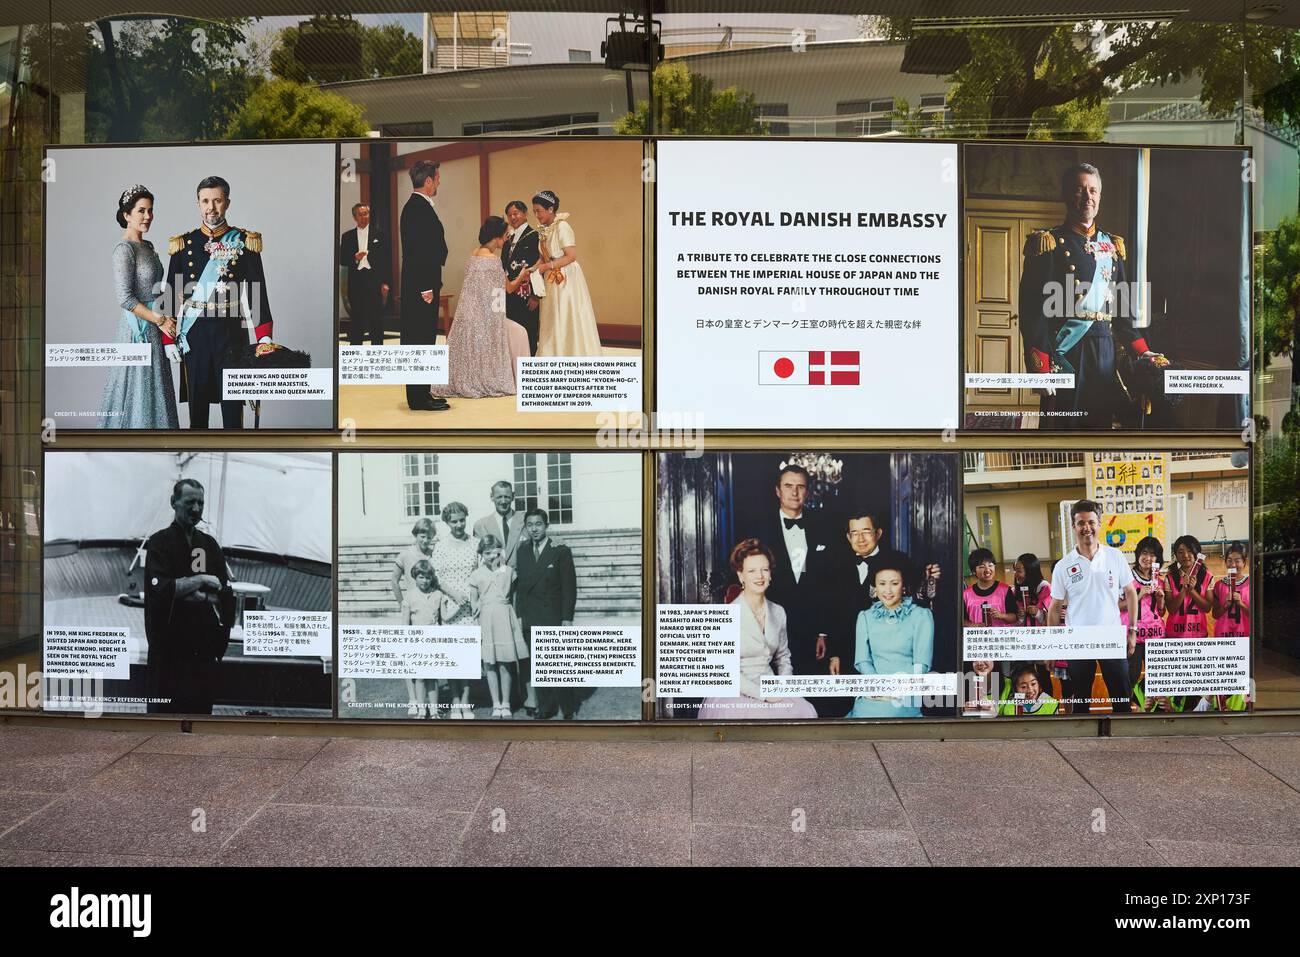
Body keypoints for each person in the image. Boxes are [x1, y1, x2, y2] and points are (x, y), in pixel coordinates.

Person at [1018, 163, 1168, 429]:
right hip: (1067, 354)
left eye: (1093, 190)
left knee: (1100, 429)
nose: (1087, 196)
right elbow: (1033, 312)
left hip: (1105, 354)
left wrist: (1144, 353)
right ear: (1067, 195)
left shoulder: (1111, 246)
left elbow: (1123, 313)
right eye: (1079, 190)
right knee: (1063, 433)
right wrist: (1040, 368)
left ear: (1099, 196)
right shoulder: (1048, 243)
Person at [162, 175, 281, 429]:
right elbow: (171, 292)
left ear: (227, 202)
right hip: (194, 335)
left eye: (217, 200)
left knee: (233, 413)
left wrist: (263, 337)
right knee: (197, 413)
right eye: (205, 201)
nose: (211, 207)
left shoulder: (244, 242)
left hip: (232, 335)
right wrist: (168, 338)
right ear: (198, 204)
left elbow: (257, 293)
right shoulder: (184, 245)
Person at [143, 478, 235, 714]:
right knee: (162, 724)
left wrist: (192, 593)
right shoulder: (159, 543)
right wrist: (202, 580)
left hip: (202, 654)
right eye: (189, 502)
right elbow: (161, 590)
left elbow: (224, 592)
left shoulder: (209, 545)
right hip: (168, 654)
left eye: (200, 503)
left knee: (200, 719)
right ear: (174, 502)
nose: (196, 509)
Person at [698, 539, 817, 720]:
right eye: (752, 571)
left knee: (806, 712)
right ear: (741, 576)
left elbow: (783, 657)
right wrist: (765, 695)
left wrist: (783, 686)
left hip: (771, 685)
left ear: (770, 574)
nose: (759, 576)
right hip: (735, 691)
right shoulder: (726, 615)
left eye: (764, 569)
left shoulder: (778, 611)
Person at [1048, 499, 1139, 714]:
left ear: (1099, 524)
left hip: (1111, 636)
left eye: (1091, 522)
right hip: (1078, 639)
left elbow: (1131, 593)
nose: (1086, 528)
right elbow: (1054, 607)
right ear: (1073, 527)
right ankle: (1082, 742)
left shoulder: (1115, 557)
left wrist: (1132, 631)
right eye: (1081, 523)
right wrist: (1051, 645)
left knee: (1121, 697)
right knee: (1081, 698)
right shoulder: (1063, 566)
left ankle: (1125, 738)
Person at [99, 184, 179, 429]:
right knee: (136, 388)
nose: (148, 216)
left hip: (156, 325)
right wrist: (160, 320)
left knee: (156, 388)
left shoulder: (149, 247)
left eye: (150, 210)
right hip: (137, 329)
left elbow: (158, 289)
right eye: (141, 211)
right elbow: (125, 298)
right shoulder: (124, 250)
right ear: (127, 216)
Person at [432, 216, 531, 399]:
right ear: (497, 237)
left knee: (517, 331)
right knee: (521, 332)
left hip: (467, 316)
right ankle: (518, 379)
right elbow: (506, 289)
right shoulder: (493, 260)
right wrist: (522, 275)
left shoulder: (474, 253)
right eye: (505, 236)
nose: (507, 239)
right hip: (486, 318)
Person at [847, 562, 934, 718]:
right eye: (881, 584)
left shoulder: (921, 616)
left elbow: (921, 664)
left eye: (894, 583)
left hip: (906, 692)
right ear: (875, 587)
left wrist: (897, 689)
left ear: (904, 586)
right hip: (873, 692)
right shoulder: (865, 617)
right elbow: (862, 660)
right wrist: (879, 687)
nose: (887, 590)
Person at [515, 508, 578, 719]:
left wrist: (567, 618)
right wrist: (520, 615)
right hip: (531, 617)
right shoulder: (522, 550)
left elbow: (569, 587)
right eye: (530, 525)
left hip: (553, 616)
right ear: (526, 527)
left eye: (538, 524)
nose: (534, 529)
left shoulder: (560, 550)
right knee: (537, 666)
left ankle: (567, 708)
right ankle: (545, 707)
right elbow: (522, 588)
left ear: (546, 526)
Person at [398, 159, 450, 412]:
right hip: (422, 287)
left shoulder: (417, 207)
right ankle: (419, 399)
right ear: (428, 181)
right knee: (419, 340)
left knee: (423, 339)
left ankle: (422, 393)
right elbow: (419, 252)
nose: (439, 182)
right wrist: (426, 287)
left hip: (422, 284)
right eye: (437, 178)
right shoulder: (417, 208)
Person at [532, 190, 602, 357]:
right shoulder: (544, 230)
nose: (536, 215)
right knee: (552, 316)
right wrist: (534, 268)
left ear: (550, 209)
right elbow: (543, 256)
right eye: (534, 211)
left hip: (566, 277)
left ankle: (571, 353)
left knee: (566, 313)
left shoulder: (562, 226)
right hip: (551, 274)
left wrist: (546, 266)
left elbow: (571, 256)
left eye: (538, 211)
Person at [468, 535, 528, 719]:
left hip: (504, 615)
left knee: (505, 662)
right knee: (490, 663)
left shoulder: (508, 571)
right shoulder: (476, 574)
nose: (491, 556)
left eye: (494, 552)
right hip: (487, 618)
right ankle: (496, 704)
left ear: (500, 551)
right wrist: (475, 606)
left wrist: (517, 617)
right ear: (481, 554)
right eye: (486, 553)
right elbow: (473, 599)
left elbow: (515, 595)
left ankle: (506, 704)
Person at [431, 501, 479, 718]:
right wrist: (454, 594)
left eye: (462, 520)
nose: (459, 524)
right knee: (452, 658)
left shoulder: (475, 543)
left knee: (467, 658)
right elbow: (436, 577)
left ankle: (466, 702)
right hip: (450, 606)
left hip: (469, 607)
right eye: (454, 521)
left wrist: (471, 596)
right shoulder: (441, 546)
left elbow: (480, 574)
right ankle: (455, 701)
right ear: (447, 522)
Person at [339, 202, 390, 346]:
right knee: (357, 321)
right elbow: (342, 259)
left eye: (366, 214)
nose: (364, 217)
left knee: (376, 320)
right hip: (356, 283)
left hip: (375, 281)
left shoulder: (380, 234)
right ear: (355, 217)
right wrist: (355, 257)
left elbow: (386, 261)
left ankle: (377, 354)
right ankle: (355, 355)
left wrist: (386, 282)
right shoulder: (347, 236)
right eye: (360, 214)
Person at [1123, 536, 1166, 706]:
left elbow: (1161, 612)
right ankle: (1125, 710)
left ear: (1158, 559)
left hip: (1155, 637)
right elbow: (1116, 605)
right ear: (1138, 555)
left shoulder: (1159, 581)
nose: (1148, 558)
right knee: (1130, 678)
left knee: (1157, 679)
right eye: (1144, 553)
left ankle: (1154, 711)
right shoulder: (1126, 578)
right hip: (1133, 636)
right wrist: (1137, 596)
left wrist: (1161, 600)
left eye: (1153, 555)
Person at [402, 559, 444, 719]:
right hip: (416, 641)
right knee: (419, 677)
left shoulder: (437, 595)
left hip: (433, 641)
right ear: (415, 577)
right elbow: (405, 623)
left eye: (427, 577)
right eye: (421, 577)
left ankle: (433, 710)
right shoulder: (410, 596)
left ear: (431, 578)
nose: (425, 581)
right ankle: (421, 709)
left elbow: (441, 619)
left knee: (432, 677)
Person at [501, 200, 542, 356]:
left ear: (525, 214)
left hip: (527, 295)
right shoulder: (507, 239)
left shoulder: (534, 236)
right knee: (511, 335)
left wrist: (536, 295)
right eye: (509, 215)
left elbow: (539, 266)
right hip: (509, 293)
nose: (512, 217)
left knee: (528, 333)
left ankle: (528, 371)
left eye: (516, 213)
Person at [1163, 534, 1214, 639]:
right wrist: (1183, 590)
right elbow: (1171, 609)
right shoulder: (1170, 577)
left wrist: (1192, 591)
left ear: (1197, 553)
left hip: (1199, 634)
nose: (1185, 555)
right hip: (1175, 635)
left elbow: (1207, 608)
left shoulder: (1207, 576)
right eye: (1180, 552)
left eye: (1190, 551)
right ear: (1176, 555)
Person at [473, 480, 525, 568]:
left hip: (522, 578)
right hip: (494, 578)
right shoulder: (481, 525)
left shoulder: (525, 521)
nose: (503, 501)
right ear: (492, 497)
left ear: (513, 496)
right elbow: (478, 560)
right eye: (499, 497)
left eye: (507, 497)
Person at [962, 548, 1019, 627]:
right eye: (982, 567)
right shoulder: (966, 595)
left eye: (990, 565)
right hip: (977, 638)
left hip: (1001, 637)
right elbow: (961, 620)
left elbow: (1015, 617)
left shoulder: (1005, 590)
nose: (987, 570)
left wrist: (1001, 616)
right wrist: (974, 625)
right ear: (973, 571)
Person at [390, 517, 436, 608]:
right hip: (413, 605)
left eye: (429, 537)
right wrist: (401, 603)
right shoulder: (405, 555)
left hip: (432, 604)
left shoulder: (434, 555)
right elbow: (394, 581)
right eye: (422, 537)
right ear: (416, 534)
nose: (426, 540)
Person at [1212, 541, 1251, 638]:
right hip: (1223, 635)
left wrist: (1241, 604)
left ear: (1244, 562)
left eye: (1237, 561)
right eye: (1229, 560)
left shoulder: (1251, 584)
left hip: (1245, 635)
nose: (1233, 565)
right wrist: (1225, 606)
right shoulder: (1218, 586)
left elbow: (1255, 616)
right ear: (1225, 562)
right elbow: (1215, 615)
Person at [1013, 553, 1051, 626]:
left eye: (1019, 571)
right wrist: (1019, 617)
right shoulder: (1014, 591)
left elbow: (1051, 621)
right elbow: (1012, 624)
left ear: (1031, 572)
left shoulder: (1045, 588)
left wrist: (1038, 613)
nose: (1015, 575)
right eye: (1015, 571)